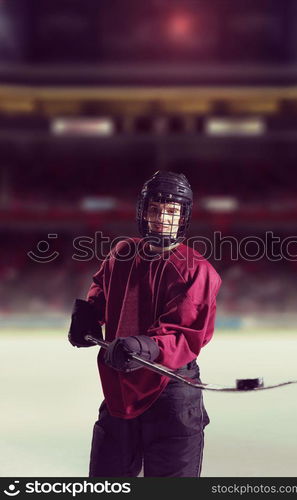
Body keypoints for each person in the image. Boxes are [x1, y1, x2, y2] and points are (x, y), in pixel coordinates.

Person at [68, 170, 222, 477]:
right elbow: (102, 288)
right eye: (155, 209)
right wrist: (87, 316)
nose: (162, 217)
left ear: (182, 217)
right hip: (120, 390)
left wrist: (145, 345)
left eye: (172, 210)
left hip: (171, 391)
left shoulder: (195, 270)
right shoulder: (122, 253)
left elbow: (188, 335)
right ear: (144, 212)